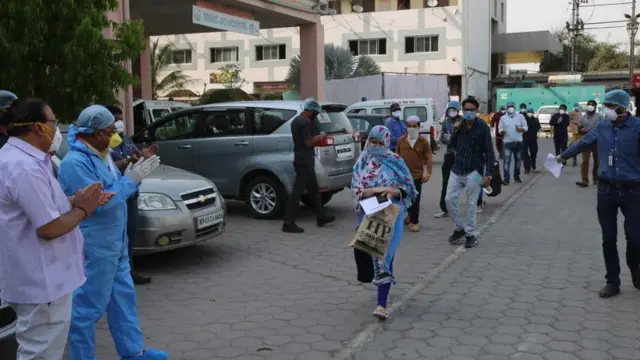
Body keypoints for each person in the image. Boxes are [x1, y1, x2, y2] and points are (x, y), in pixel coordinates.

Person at [57, 105, 167, 360]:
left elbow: (112, 187)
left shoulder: (101, 154)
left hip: (115, 243)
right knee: (87, 308)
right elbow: (98, 202)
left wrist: (131, 170)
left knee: (123, 301)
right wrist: (131, 180)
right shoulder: (75, 163)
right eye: (109, 131)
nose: (115, 136)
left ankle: (132, 352)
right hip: (95, 245)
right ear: (93, 133)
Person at [0, 98, 105, 360]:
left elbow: (37, 208)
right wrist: (83, 210)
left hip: (42, 279)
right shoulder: (22, 166)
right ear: (37, 127)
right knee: (41, 353)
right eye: (53, 122)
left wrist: (74, 201)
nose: (57, 130)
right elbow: (48, 227)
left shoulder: (25, 159)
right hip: (42, 282)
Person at [556, 90, 640, 299]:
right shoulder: (602, 126)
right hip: (606, 190)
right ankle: (612, 281)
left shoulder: (637, 127)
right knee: (608, 238)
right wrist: (562, 157)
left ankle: (635, 267)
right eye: (607, 106)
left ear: (623, 108)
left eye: (611, 106)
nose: (607, 110)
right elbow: (583, 143)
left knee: (635, 237)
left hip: (633, 191)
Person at [351, 125, 417, 320]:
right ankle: (383, 293)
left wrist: (394, 191)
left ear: (387, 143)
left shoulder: (395, 161)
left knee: (385, 256)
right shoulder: (362, 162)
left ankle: (381, 304)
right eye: (373, 142)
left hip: (391, 212)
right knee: (376, 257)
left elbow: (408, 187)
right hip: (369, 213)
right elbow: (355, 188)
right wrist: (370, 191)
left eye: (380, 143)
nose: (376, 146)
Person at [108, 105, 158, 284]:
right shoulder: (105, 142)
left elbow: (137, 156)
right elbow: (111, 167)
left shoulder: (126, 139)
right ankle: (115, 277)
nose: (119, 122)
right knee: (116, 239)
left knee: (129, 237)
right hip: (115, 197)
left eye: (120, 118)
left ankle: (129, 273)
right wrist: (129, 160)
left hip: (131, 195)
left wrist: (145, 156)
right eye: (115, 118)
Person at [445, 97, 495, 248]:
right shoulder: (459, 125)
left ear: (477, 110)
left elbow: (489, 152)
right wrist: (454, 130)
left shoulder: (483, 128)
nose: (468, 112)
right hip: (457, 169)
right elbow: (452, 143)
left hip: (474, 171)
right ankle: (460, 228)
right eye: (466, 109)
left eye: (471, 109)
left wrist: (489, 174)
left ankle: (471, 234)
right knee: (449, 200)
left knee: (472, 204)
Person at [282, 99, 335, 233]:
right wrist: (321, 136)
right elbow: (308, 142)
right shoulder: (304, 122)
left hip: (304, 159)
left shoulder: (298, 120)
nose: (316, 115)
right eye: (316, 112)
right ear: (310, 111)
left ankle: (321, 216)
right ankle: (288, 222)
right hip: (304, 160)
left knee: (314, 190)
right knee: (297, 192)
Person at [396, 115, 432, 232]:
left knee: (415, 198)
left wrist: (429, 173)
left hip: (417, 175)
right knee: (405, 197)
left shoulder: (423, 142)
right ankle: (409, 215)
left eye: (414, 126)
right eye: (409, 126)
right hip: (403, 176)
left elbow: (429, 156)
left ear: (419, 126)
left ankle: (414, 221)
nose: (412, 128)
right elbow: (396, 157)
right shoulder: (401, 141)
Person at [435, 101, 462, 219]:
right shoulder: (445, 123)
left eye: (454, 109)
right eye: (450, 109)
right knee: (446, 182)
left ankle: (478, 203)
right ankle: (444, 208)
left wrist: (454, 137)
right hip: (450, 155)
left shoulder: (463, 121)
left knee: (469, 181)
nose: (452, 112)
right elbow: (442, 138)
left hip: (462, 156)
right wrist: (449, 139)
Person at [575, 100, 603, 188]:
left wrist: (589, 131)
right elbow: (579, 129)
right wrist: (589, 131)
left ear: (595, 106)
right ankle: (584, 180)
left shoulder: (600, 116)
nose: (590, 106)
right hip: (586, 142)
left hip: (597, 141)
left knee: (597, 161)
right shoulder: (583, 117)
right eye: (589, 104)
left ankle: (596, 179)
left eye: (592, 105)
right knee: (585, 161)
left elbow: (604, 128)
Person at [499, 102, 527, 185]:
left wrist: (521, 129)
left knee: (518, 161)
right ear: (507, 108)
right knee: (506, 161)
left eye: (512, 106)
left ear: (514, 107)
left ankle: (517, 176)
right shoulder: (503, 118)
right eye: (509, 106)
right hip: (507, 143)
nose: (510, 108)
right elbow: (500, 129)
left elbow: (526, 127)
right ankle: (506, 178)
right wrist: (502, 131)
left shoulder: (520, 116)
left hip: (518, 143)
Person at [522, 106, 541, 174]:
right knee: (525, 154)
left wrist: (538, 133)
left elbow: (539, 128)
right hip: (525, 138)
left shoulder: (536, 120)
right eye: (529, 112)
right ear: (527, 112)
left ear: (533, 113)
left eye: (531, 112)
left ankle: (533, 163)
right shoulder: (523, 119)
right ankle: (527, 168)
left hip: (533, 139)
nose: (530, 113)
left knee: (534, 152)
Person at [569, 103, 582, 167]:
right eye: (575, 106)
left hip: (578, 131)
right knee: (572, 145)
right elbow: (570, 120)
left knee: (577, 146)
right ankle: (573, 159)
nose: (576, 107)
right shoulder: (571, 113)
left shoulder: (580, 113)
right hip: (573, 131)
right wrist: (573, 123)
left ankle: (575, 159)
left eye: (577, 106)